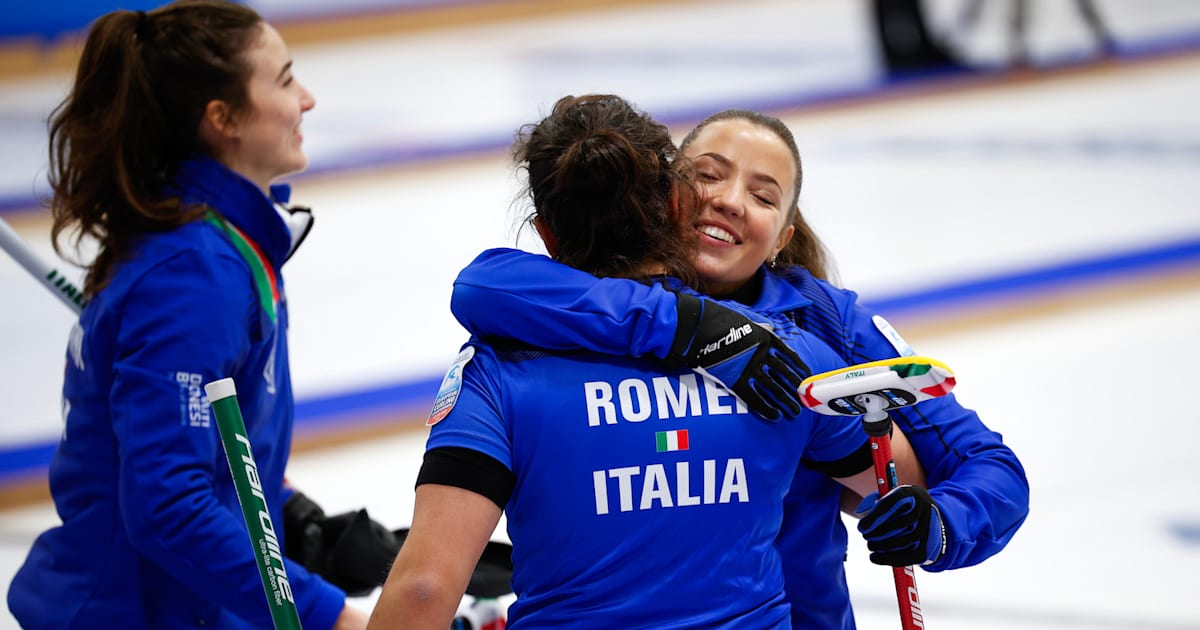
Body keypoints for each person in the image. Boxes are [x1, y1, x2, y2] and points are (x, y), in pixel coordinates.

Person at [449, 108, 1030, 628]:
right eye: (708, 174)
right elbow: (484, 284)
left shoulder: (826, 325)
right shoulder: (589, 295)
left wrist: (942, 522)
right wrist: (690, 326)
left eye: (764, 195)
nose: (729, 200)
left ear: (782, 239)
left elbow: (990, 467)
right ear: (664, 193)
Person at [366, 94, 908, 629]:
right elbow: (895, 486)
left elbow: (424, 589)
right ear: (676, 204)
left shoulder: (494, 374)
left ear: (546, 232)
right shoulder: (781, 356)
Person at [4, 2, 370, 627]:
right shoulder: (191, 278)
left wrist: (292, 517)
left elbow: (203, 453)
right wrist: (328, 616)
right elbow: (167, 506)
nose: (305, 99)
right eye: (283, 80)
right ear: (222, 119)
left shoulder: (221, 247)